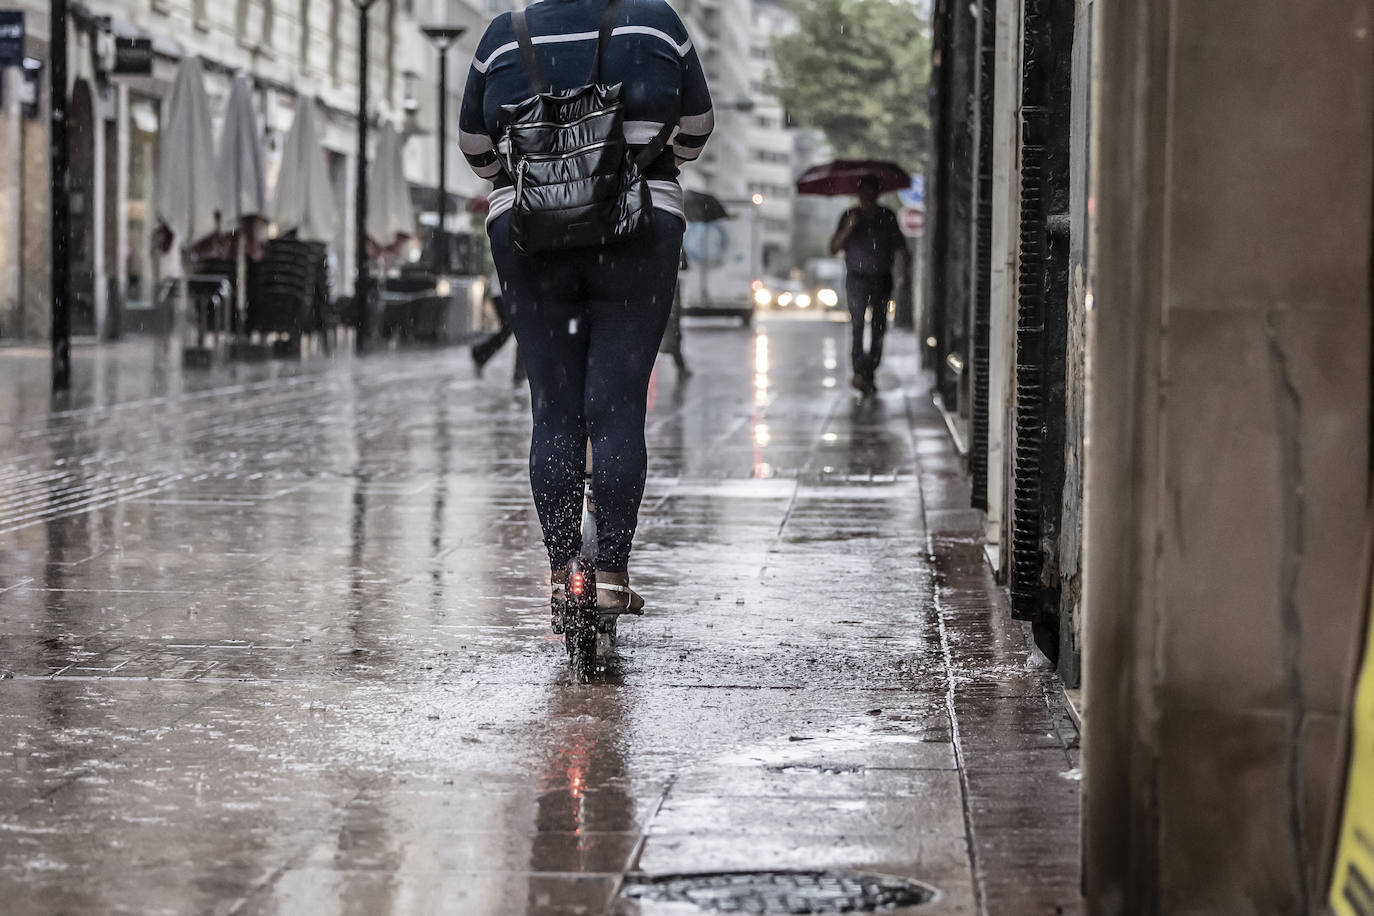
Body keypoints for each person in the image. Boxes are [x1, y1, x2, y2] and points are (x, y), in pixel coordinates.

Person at [460, 0, 713, 616]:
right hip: (640, 227)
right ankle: (610, 574)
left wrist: (540, 176)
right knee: (618, 403)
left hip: (529, 235)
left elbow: (474, 147)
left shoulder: (502, 36)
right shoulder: (658, 23)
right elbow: (699, 126)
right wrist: (637, 167)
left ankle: (559, 568)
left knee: (553, 405)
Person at [829, 176, 912, 395]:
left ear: (877, 194)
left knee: (879, 327)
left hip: (882, 278)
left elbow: (903, 249)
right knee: (857, 326)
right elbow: (833, 247)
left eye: (871, 192)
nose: (867, 197)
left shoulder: (887, 217)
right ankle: (859, 372)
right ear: (858, 194)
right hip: (856, 278)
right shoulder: (849, 215)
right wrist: (849, 228)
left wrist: (907, 274)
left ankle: (869, 372)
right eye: (863, 192)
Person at [470, 270, 525, 386]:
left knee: (521, 329)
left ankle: (520, 375)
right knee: (512, 328)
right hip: (503, 290)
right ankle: (480, 354)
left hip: (515, 290)